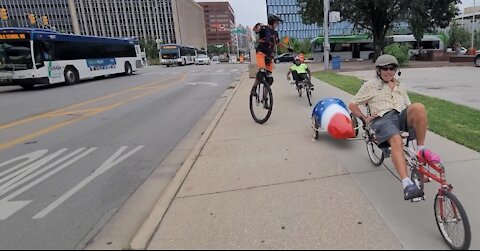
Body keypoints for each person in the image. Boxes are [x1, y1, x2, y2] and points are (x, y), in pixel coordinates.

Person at [348, 54, 441, 201]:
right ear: (378, 70)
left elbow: (408, 106)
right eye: (385, 68)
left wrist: (414, 116)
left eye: (392, 68)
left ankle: (421, 150)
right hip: (382, 119)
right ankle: (406, 184)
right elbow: (352, 104)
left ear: (396, 70)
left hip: (400, 115)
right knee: (396, 140)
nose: (388, 71)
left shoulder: (400, 85)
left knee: (419, 107)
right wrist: (365, 119)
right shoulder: (370, 85)